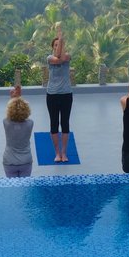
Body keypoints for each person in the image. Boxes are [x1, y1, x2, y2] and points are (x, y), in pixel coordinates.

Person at [45, 24, 73, 162]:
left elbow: (62, 58)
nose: (58, 47)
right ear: (52, 47)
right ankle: (57, 153)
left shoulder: (67, 56)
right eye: (55, 45)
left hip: (66, 94)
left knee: (65, 123)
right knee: (54, 123)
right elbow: (57, 58)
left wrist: (61, 40)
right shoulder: (50, 58)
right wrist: (60, 39)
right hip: (52, 94)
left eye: (60, 44)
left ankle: (64, 152)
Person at [3, 85, 33, 177]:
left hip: (9, 161)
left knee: (12, 185)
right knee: (24, 185)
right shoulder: (30, 123)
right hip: (26, 161)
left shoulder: (6, 123)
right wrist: (19, 98)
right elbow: (23, 112)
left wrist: (13, 98)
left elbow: (9, 112)